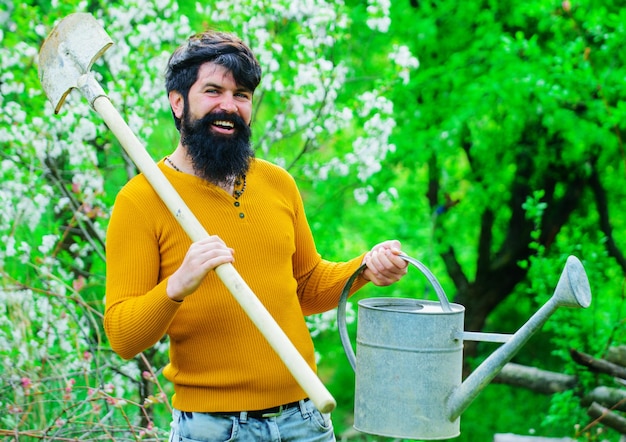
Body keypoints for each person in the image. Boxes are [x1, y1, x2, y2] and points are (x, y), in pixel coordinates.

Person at [104, 30, 408, 442]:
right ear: (178, 102)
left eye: (241, 94)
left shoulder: (277, 183)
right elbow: (123, 336)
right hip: (213, 430)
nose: (229, 106)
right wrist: (177, 285)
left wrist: (364, 268)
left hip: (306, 421)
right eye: (213, 91)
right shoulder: (141, 200)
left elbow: (305, 287)